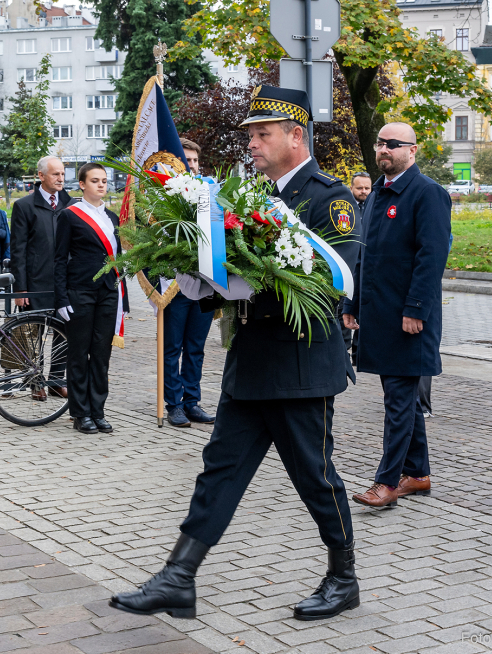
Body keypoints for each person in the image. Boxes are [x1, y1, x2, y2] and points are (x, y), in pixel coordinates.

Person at [110, 86, 362, 622]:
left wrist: (246, 283)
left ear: (296, 137)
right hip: (250, 364)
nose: (251, 143)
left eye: (261, 134)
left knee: (316, 478)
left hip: (300, 370)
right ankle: (178, 578)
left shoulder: (329, 200)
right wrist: (207, 280)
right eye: (249, 134)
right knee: (218, 471)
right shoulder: (249, 195)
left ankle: (344, 578)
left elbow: (330, 285)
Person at [344, 122, 451, 509]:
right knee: (399, 397)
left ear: (412, 150)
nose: (383, 149)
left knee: (399, 402)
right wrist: (350, 304)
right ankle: (418, 474)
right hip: (380, 315)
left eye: (392, 144)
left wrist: (416, 309)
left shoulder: (428, 194)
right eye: (379, 143)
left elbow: (431, 258)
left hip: (409, 319)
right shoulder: (377, 193)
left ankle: (387, 481)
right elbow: (363, 255)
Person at [54, 163, 126, 435]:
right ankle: (80, 413)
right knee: (78, 353)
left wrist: (124, 301)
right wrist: (61, 298)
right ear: (82, 184)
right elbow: (59, 260)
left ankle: (98, 410)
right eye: (95, 180)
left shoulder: (112, 218)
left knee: (100, 354)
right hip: (79, 292)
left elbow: (118, 262)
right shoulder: (70, 215)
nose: (101, 185)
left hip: (108, 291)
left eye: (104, 181)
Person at [159, 138, 215, 428]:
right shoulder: (163, 196)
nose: (192, 165)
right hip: (175, 284)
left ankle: (192, 401)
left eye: (195, 160)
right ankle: (174, 404)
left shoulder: (209, 192)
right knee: (173, 347)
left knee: (196, 346)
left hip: (204, 283)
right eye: (187, 161)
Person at [11, 155, 74, 399]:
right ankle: (35, 381)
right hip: (36, 283)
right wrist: (20, 289)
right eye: (55, 174)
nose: (61, 178)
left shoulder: (71, 204)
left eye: (62, 173)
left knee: (64, 333)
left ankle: (57, 381)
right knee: (33, 334)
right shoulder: (25, 206)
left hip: (66, 282)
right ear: (41, 176)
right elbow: (18, 251)